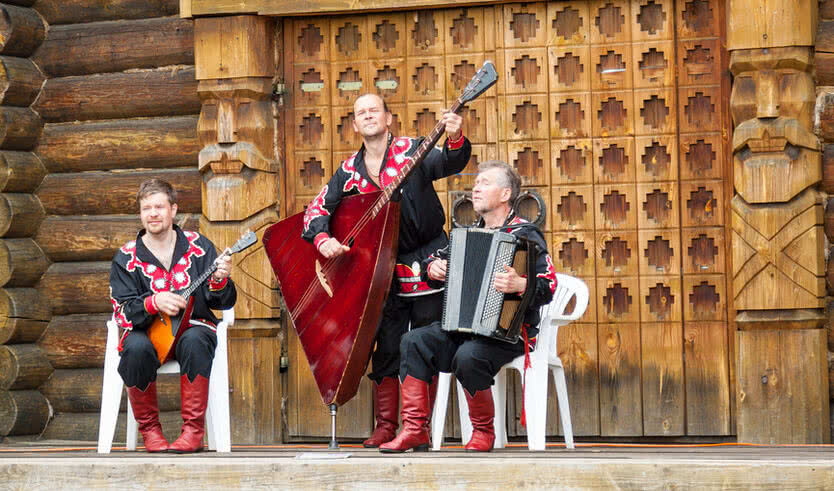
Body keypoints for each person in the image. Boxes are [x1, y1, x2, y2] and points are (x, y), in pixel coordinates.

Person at [302, 93, 471, 448]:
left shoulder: (414, 150)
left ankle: (419, 427)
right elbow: (316, 210)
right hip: (380, 271)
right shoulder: (348, 171)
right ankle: (386, 425)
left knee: (426, 339)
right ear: (354, 124)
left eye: (373, 110)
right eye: (360, 112)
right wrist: (323, 240)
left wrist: (455, 136)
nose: (367, 116)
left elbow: (450, 163)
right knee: (387, 345)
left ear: (389, 118)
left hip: (428, 260)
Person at [379, 161, 557, 453]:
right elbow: (432, 263)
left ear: (505, 194)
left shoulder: (525, 234)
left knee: (468, 356)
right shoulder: (466, 234)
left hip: (509, 335)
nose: (476, 187)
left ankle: (484, 431)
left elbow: (548, 286)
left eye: (485, 183)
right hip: (463, 330)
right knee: (413, 341)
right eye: (476, 183)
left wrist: (520, 285)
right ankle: (415, 430)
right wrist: (432, 267)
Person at [110, 179, 237, 453]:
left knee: (196, 338)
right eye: (146, 208)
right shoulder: (126, 257)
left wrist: (218, 280)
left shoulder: (199, 247)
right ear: (140, 214)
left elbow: (222, 301)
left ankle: (193, 431)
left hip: (192, 329)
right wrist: (153, 302)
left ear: (173, 210)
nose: (153, 213)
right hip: (148, 334)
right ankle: (150, 430)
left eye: (159, 206)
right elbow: (122, 309)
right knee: (134, 347)